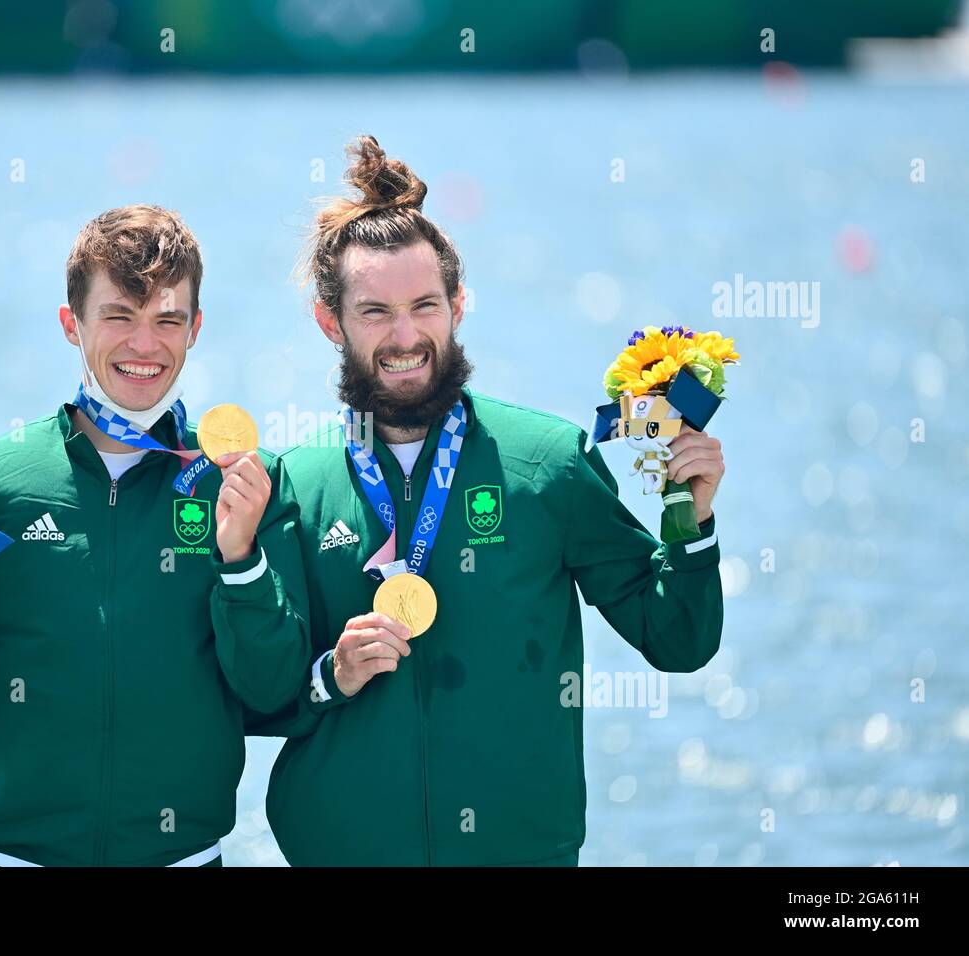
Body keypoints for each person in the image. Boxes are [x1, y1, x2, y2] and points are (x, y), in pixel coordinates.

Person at [215, 137, 727, 866]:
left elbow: (679, 641)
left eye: (425, 305)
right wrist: (335, 671)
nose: (404, 336)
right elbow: (262, 697)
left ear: (458, 305)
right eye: (375, 312)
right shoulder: (292, 483)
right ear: (331, 323)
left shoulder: (548, 463)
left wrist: (690, 519)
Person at [0, 205, 304, 866]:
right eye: (118, 316)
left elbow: (272, 689)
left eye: (166, 319)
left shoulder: (245, 483)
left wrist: (240, 561)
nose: (144, 345)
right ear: (72, 323)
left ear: (196, 328)